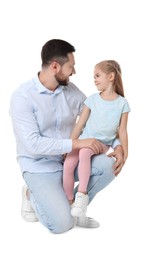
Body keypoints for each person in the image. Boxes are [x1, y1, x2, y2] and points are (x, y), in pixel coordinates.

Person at [9, 39, 124, 234]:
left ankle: (77, 206)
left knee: (110, 164)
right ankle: (31, 194)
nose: (74, 72)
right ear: (55, 66)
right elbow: (33, 144)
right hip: (39, 167)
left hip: (69, 161)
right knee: (62, 225)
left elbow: (100, 120)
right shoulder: (22, 97)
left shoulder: (71, 92)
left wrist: (118, 145)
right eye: (71, 66)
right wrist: (76, 143)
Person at [63, 60, 130, 218]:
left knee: (85, 153)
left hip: (101, 143)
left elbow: (122, 131)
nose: (95, 80)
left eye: (98, 76)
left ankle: (81, 194)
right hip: (83, 140)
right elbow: (79, 125)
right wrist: (70, 145)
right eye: (94, 77)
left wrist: (125, 154)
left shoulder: (122, 104)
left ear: (111, 76)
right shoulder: (92, 99)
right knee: (68, 164)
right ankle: (70, 201)